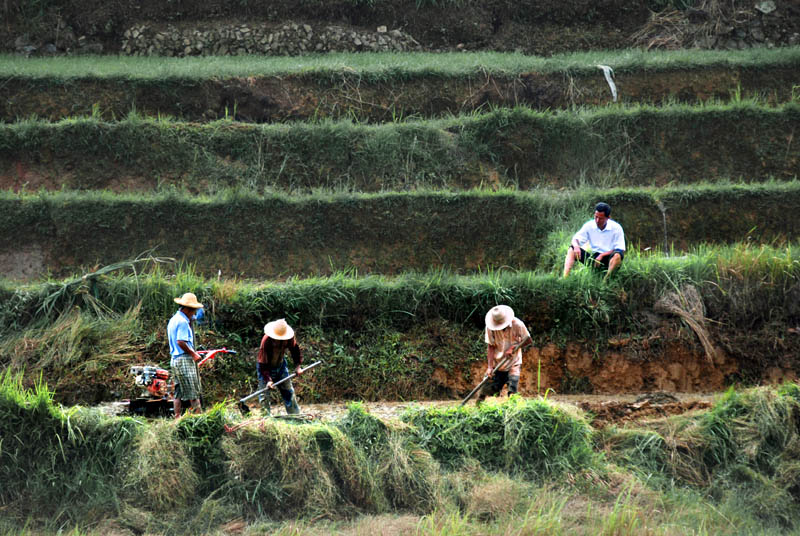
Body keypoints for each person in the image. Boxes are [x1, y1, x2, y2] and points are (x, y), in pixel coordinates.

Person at [478, 305, 532, 403]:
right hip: (497, 363)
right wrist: (490, 367)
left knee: (512, 389)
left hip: (513, 362)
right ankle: (478, 409)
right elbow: (491, 346)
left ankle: (511, 411)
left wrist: (513, 348)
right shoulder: (490, 328)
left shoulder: (518, 324)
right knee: (485, 390)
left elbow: (528, 340)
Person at [563, 202, 626, 280]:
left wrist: (602, 255)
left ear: (608, 217)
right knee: (572, 249)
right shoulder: (589, 225)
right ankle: (565, 278)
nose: (597, 220)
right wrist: (576, 246)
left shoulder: (616, 228)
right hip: (594, 258)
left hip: (609, 258)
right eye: (596, 217)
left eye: (601, 218)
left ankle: (606, 280)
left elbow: (621, 249)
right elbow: (576, 239)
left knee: (617, 255)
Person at [167, 292, 204, 419]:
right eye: (193, 311)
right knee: (193, 392)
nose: (194, 314)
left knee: (178, 391)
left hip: (175, 359)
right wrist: (193, 354)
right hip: (184, 359)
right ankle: (200, 419)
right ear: (188, 309)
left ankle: (177, 417)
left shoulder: (174, 319)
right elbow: (180, 341)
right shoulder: (182, 322)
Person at [257, 318, 303, 415]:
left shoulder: (289, 338)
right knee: (264, 396)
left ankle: (295, 417)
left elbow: (295, 351)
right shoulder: (266, 341)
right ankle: (265, 421)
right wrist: (268, 380)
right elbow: (262, 364)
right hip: (265, 368)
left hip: (280, 366)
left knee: (289, 392)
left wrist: (298, 366)